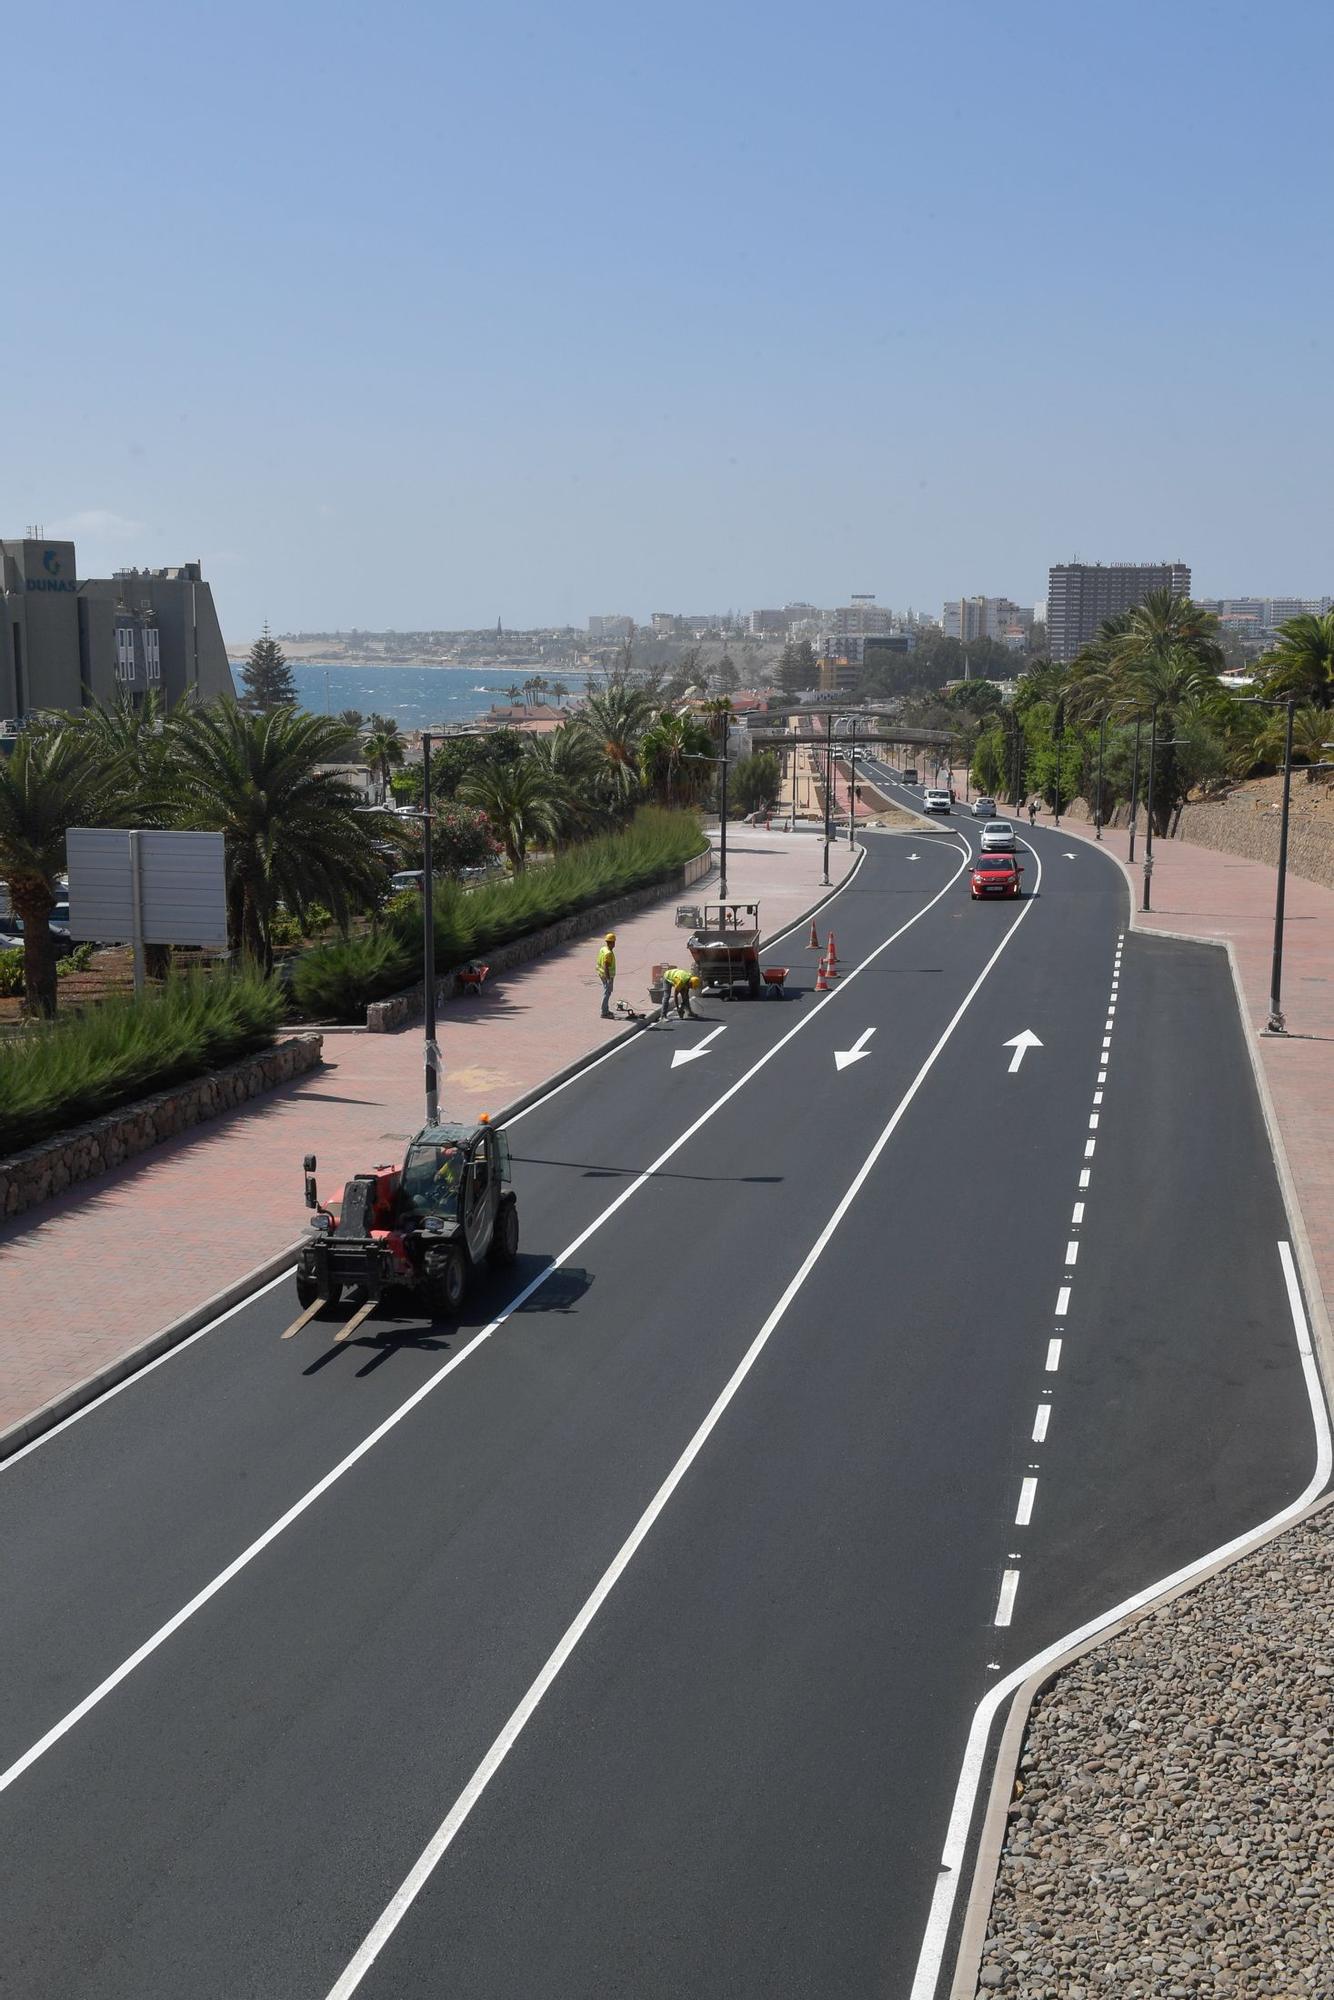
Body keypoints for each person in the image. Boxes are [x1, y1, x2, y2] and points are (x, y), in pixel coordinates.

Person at [597, 932, 616, 1017]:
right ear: (611, 943)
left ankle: (606, 1010)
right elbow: (606, 966)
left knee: (607, 992)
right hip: (607, 976)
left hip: (601, 973)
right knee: (607, 993)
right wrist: (608, 979)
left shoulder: (603, 949)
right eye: (614, 942)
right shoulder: (608, 953)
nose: (614, 944)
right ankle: (604, 1012)